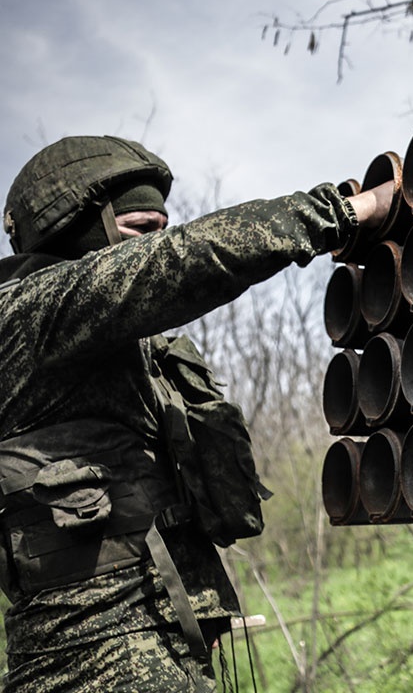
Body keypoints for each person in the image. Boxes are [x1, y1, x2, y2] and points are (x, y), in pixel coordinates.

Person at [0, 135, 393, 691]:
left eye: (161, 231)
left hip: (157, 638)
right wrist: (346, 211)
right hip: (90, 657)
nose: (152, 247)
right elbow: (186, 259)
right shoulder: (28, 313)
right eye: (139, 233)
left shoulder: (112, 350)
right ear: (75, 235)